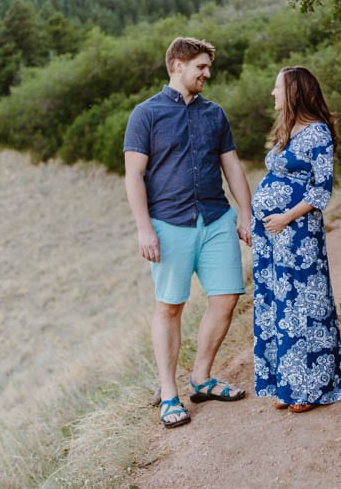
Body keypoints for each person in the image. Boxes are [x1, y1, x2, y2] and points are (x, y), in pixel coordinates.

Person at [123, 36, 253, 429]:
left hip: (215, 219)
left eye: (208, 67)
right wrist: (144, 228)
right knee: (170, 306)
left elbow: (232, 166)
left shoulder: (215, 114)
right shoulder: (145, 115)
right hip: (169, 224)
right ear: (177, 65)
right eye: (201, 67)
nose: (207, 74)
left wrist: (245, 214)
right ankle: (168, 395)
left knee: (227, 297)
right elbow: (134, 175)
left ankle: (201, 378)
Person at [251, 66, 341, 413]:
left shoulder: (317, 133)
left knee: (303, 305)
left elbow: (322, 189)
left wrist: (286, 217)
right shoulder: (286, 131)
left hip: (298, 235)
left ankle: (310, 386)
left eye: (277, 88)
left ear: (293, 92)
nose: (273, 94)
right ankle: (288, 382)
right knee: (278, 304)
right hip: (273, 235)